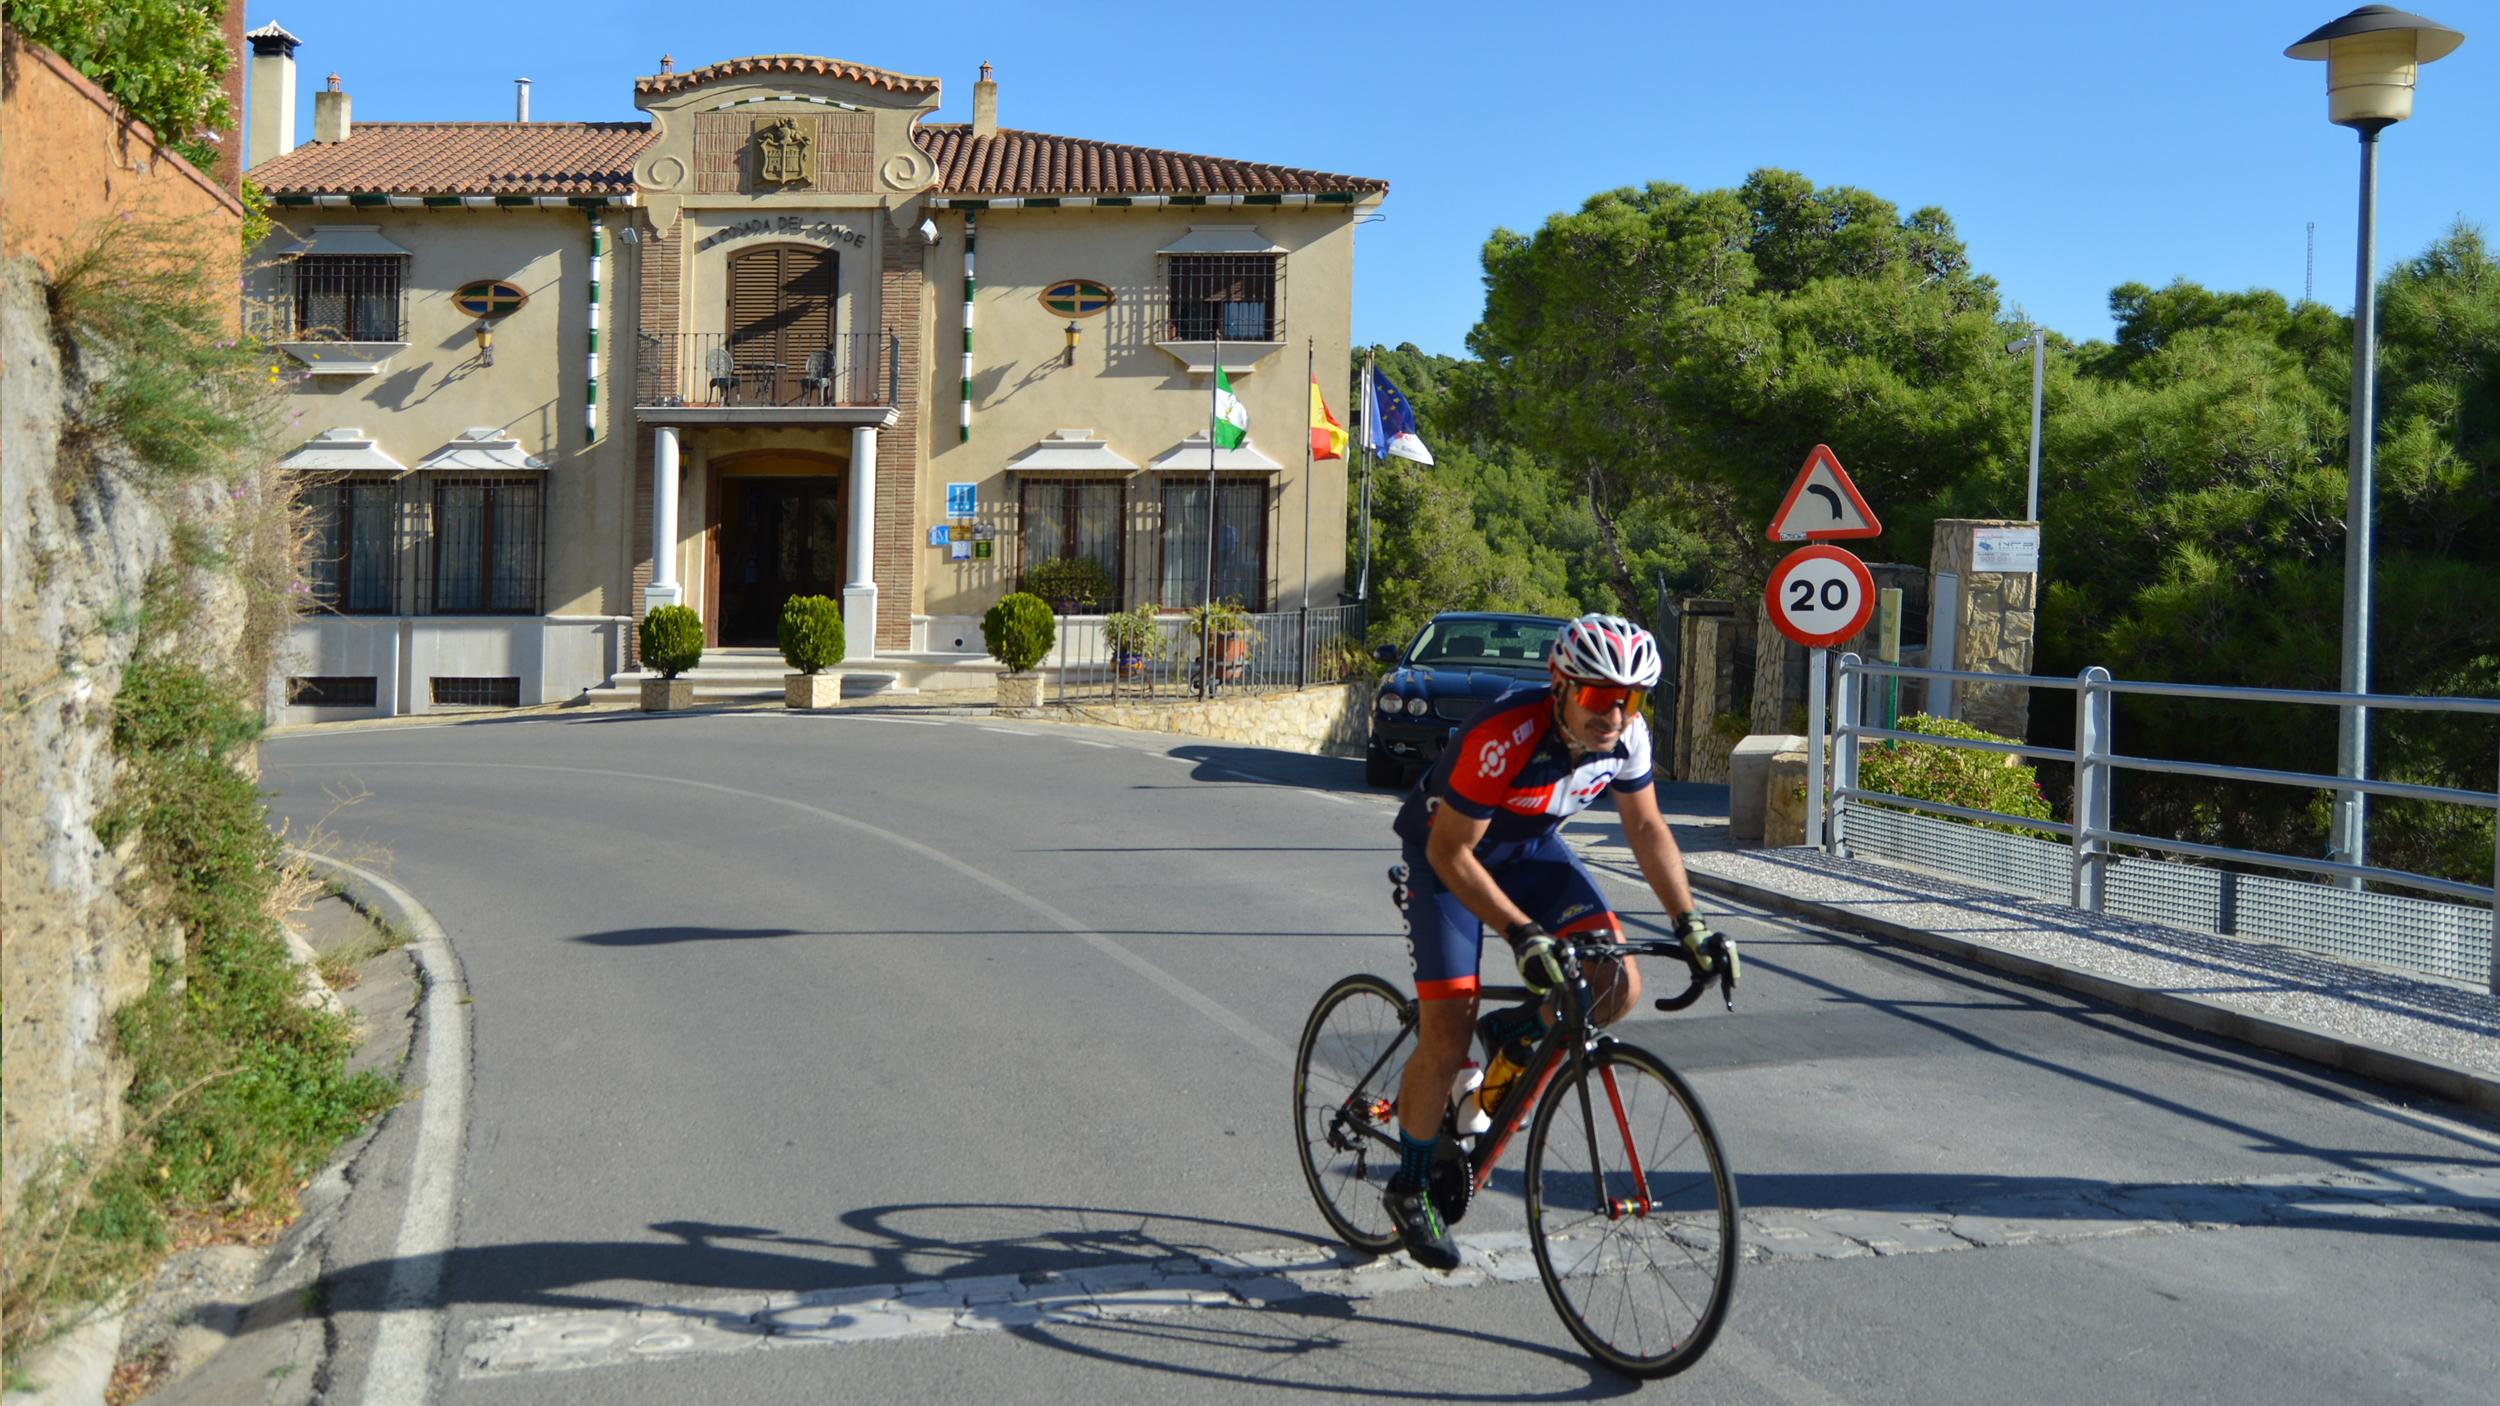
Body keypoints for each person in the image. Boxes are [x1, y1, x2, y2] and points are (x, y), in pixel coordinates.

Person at [1380, 612, 1731, 1270]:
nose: (1615, 716)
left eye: (1630, 700)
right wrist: (1519, 933)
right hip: (1446, 859)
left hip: (1532, 853)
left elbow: (1648, 827)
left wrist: (1692, 926)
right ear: (1562, 686)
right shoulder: (1505, 734)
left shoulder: (1628, 739)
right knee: (1449, 1030)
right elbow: (1452, 850)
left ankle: (1518, 1033)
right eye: (1601, 698)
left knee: (1615, 984)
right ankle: (1409, 1185)